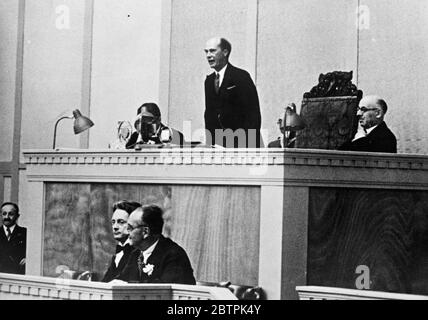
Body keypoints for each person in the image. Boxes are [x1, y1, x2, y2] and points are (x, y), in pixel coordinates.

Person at [113, 204, 196, 285]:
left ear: (145, 232)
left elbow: (163, 291)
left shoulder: (174, 256)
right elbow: (121, 280)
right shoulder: (135, 254)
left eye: (130, 228)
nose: (127, 232)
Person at [204, 37, 262, 148]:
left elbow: (253, 115)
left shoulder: (241, 77)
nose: (208, 55)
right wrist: (210, 144)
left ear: (225, 52)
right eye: (206, 52)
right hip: (218, 146)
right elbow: (209, 115)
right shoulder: (209, 81)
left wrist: (248, 146)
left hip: (241, 146)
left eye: (212, 51)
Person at [101, 200, 141, 282]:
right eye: (113, 222)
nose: (115, 227)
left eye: (121, 222)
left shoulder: (140, 252)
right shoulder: (118, 253)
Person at [0, 202, 26, 274]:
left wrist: (29, 260)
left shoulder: (25, 233)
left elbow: (34, 253)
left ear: (17, 216)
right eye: (4, 214)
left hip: (17, 276)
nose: (7, 217)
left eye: (11, 214)